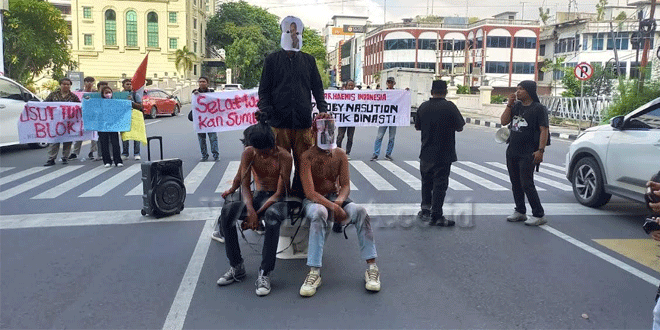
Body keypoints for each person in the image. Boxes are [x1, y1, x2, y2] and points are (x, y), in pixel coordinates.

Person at [298, 114, 380, 297]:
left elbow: (345, 185)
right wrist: (335, 208)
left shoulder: (340, 154)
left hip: (336, 198)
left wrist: (339, 202)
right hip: (315, 202)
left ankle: (372, 268)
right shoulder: (307, 156)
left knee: (360, 212)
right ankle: (314, 272)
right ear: (314, 132)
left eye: (330, 130)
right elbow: (310, 193)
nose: (328, 134)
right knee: (320, 212)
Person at [216, 122, 293, 297]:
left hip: (278, 201)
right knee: (228, 211)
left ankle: (265, 272)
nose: (262, 156)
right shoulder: (249, 153)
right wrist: (250, 212)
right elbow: (245, 186)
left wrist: (255, 216)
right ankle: (236, 266)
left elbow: (280, 193)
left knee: (272, 216)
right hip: (258, 197)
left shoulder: (285, 157)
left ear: (273, 143)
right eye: (258, 152)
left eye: (265, 152)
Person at [257, 16, 328, 197]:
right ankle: (280, 195)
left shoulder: (309, 61)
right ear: (284, 33)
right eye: (291, 31)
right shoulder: (271, 60)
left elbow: (317, 87)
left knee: (304, 161)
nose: (294, 35)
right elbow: (264, 90)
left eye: (297, 32)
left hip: (303, 121)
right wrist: (266, 109)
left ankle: (300, 194)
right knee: (280, 161)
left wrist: (323, 109)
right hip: (278, 122)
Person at [414, 80, 465, 226]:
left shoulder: (423, 107)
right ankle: (436, 215)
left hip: (426, 152)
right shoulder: (450, 107)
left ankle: (425, 210)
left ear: (431, 92)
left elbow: (417, 127)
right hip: (444, 153)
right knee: (440, 184)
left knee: (426, 182)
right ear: (446, 92)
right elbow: (460, 127)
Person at [500, 80, 549, 226]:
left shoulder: (538, 108)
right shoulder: (516, 106)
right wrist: (509, 104)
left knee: (527, 183)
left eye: (521, 89)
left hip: (529, 152)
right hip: (513, 150)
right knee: (515, 182)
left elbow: (544, 130)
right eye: (517, 89)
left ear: (529, 91)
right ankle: (520, 211)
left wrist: (540, 151)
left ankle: (538, 214)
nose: (517, 91)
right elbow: (503, 121)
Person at [43, 78, 81, 166]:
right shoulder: (53, 95)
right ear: (60, 85)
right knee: (54, 140)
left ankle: (65, 157)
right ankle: (51, 158)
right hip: (55, 122)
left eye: (68, 84)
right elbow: (45, 104)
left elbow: (78, 107)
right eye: (64, 84)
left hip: (68, 122)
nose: (66, 86)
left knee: (67, 140)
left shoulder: (73, 97)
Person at [190, 76, 219, 161]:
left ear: (207, 83)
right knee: (201, 139)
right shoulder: (195, 93)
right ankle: (204, 155)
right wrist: (196, 94)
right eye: (200, 82)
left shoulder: (212, 92)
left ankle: (215, 155)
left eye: (204, 82)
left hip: (210, 120)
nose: (202, 83)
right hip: (200, 121)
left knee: (213, 138)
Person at [71, 76, 98, 161]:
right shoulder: (78, 93)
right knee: (80, 134)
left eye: (91, 82)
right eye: (87, 82)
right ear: (84, 83)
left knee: (94, 136)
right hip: (81, 117)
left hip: (93, 117)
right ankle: (75, 153)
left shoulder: (96, 93)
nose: (89, 83)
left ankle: (92, 152)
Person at [371, 77, 397, 161]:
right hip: (384, 118)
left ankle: (388, 154)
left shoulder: (398, 93)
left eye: (391, 82)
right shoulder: (383, 92)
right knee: (379, 136)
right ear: (386, 83)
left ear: (394, 83)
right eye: (388, 82)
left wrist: (406, 91)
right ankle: (375, 154)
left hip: (393, 118)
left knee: (392, 138)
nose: (390, 84)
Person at [97, 86, 124, 168]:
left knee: (115, 143)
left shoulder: (115, 102)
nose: (108, 94)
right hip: (102, 125)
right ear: (102, 94)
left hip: (113, 125)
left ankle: (118, 160)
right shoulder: (98, 103)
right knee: (104, 143)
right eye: (106, 93)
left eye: (109, 92)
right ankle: (107, 161)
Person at [120, 79, 143, 160]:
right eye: (127, 84)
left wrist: (131, 102)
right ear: (123, 85)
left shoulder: (135, 94)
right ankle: (125, 153)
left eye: (130, 84)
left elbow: (140, 106)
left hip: (134, 117)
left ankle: (137, 153)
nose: (129, 85)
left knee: (136, 136)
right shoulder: (120, 95)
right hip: (123, 118)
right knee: (125, 136)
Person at [337, 80, 356, 159]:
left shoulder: (357, 95)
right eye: (349, 85)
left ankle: (347, 153)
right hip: (342, 119)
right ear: (346, 86)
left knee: (350, 137)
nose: (350, 87)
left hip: (352, 120)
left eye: (352, 86)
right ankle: (338, 152)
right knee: (340, 136)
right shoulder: (341, 94)